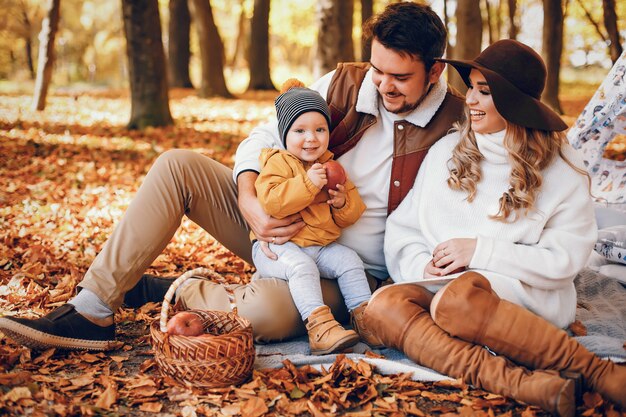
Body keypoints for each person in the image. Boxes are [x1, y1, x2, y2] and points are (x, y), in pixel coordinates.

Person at [0, 2, 464, 350]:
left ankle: (168, 289)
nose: (382, 86)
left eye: (399, 77)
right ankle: (92, 311)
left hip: (346, 270)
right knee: (177, 165)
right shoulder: (346, 82)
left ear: (434, 70)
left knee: (264, 315)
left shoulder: (458, 126)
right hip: (278, 223)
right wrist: (249, 200)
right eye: (378, 70)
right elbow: (264, 134)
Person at [364, 40, 626, 416]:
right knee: (383, 306)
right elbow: (403, 228)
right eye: (470, 87)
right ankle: (527, 386)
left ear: (515, 102)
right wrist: (422, 266)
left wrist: (480, 250)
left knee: (458, 301)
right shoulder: (446, 152)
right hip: (442, 287)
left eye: (484, 92)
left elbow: (564, 259)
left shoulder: (561, 168)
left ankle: (598, 373)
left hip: (523, 293)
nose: (469, 99)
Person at [250, 79, 376, 354]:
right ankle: (318, 327)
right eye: (300, 130)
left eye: (320, 129)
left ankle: (366, 318)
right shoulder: (277, 162)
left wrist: (342, 202)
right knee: (301, 268)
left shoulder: (331, 166)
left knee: (348, 260)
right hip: (278, 248)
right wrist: (307, 184)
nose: (311, 138)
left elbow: (350, 216)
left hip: (319, 248)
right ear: (284, 134)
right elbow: (272, 203)